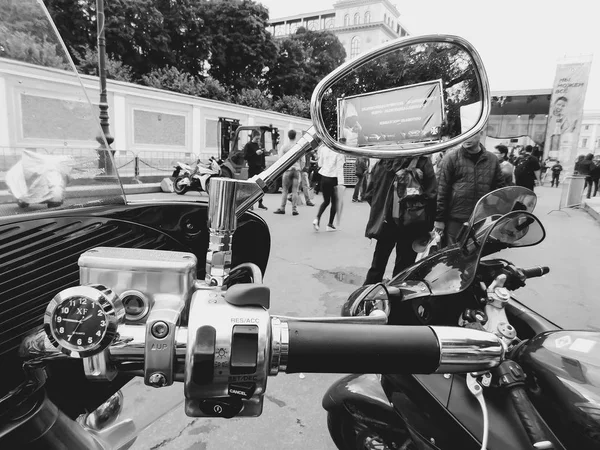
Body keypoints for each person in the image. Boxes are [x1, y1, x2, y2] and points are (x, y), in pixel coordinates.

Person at [363, 156, 437, 284]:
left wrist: (381, 211)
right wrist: (428, 226)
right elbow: (432, 195)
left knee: (378, 264)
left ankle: (367, 296)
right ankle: (396, 299)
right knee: (403, 268)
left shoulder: (383, 162)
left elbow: (369, 194)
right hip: (412, 222)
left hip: (386, 222)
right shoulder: (422, 161)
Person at [435, 131, 505, 246]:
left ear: (481, 134)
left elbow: (500, 189)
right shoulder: (451, 158)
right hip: (455, 219)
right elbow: (442, 190)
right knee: (452, 255)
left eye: (471, 134)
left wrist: (497, 214)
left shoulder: (492, 159)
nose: (466, 138)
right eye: (463, 134)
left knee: (475, 255)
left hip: (480, 220)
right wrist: (439, 219)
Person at [312, 144, 345, 232]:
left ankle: (317, 218)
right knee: (334, 202)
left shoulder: (323, 149)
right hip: (334, 179)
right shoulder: (339, 152)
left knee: (326, 201)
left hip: (324, 177)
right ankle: (330, 224)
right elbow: (339, 168)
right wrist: (341, 183)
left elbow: (320, 163)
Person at [274, 130, 302, 215]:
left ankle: (282, 208)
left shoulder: (284, 146)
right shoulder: (299, 147)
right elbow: (303, 160)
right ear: (295, 136)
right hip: (296, 170)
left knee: (285, 190)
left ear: (288, 136)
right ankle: (294, 209)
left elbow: (280, 159)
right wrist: (299, 168)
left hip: (287, 170)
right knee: (295, 191)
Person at [243, 132, 267, 210]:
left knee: (260, 186)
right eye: (257, 138)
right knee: (251, 186)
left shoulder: (259, 145)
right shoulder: (248, 145)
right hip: (252, 168)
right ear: (253, 137)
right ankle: (250, 203)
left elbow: (262, 156)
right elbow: (245, 156)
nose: (258, 140)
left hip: (259, 168)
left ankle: (260, 202)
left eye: (259, 138)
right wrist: (255, 153)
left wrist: (263, 165)